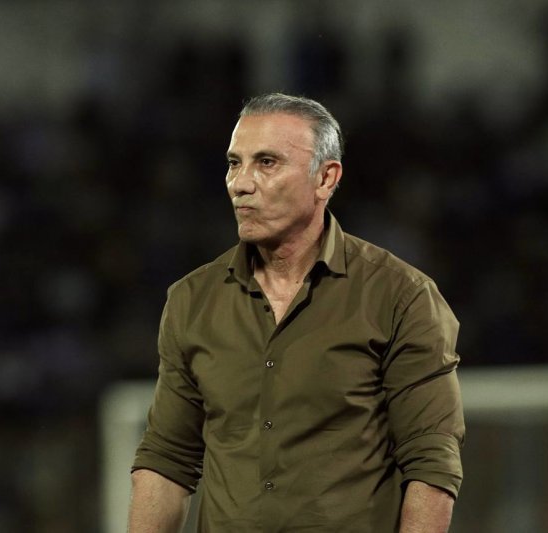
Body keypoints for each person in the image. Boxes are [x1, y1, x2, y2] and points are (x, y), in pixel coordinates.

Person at [128, 93, 465, 533]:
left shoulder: (401, 296)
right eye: (234, 163)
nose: (240, 183)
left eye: (266, 163)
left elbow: (431, 463)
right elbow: (166, 460)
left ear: (325, 178)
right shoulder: (191, 300)